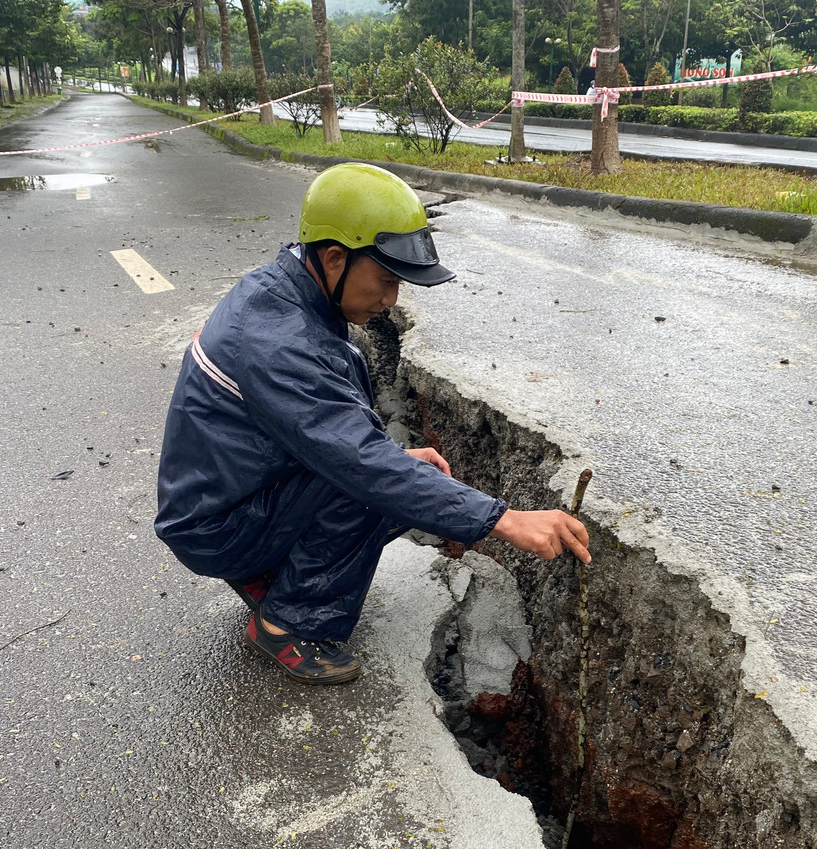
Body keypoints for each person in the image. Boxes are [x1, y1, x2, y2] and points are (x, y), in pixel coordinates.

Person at [155, 162, 590, 686]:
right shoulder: (281, 343)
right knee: (373, 489)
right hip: (216, 526)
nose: (391, 300)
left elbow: (326, 433)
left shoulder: (286, 294)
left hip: (230, 498)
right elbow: (359, 463)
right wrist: (506, 520)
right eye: (386, 280)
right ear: (335, 257)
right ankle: (288, 624)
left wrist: (401, 468)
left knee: (403, 479)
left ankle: (270, 572)